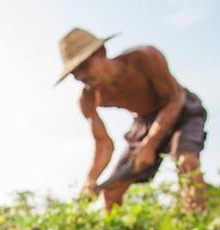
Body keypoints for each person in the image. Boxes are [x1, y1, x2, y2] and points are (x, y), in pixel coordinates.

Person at [56, 28, 208, 212]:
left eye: (84, 66)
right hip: (143, 122)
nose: (81, 77)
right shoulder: (88, 98)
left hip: (179, 106)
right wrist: (91, 179)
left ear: (102, 52)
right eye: (74, 73)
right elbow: (103, 143)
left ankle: (197, 219)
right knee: (112, 191)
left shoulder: (145, 58)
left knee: (187, 161)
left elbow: (174, 99)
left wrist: (150, 144)